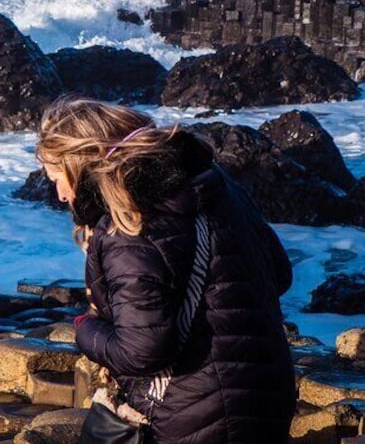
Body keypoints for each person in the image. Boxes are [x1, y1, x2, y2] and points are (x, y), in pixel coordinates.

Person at [36, 97, 296, 443]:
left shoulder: (129, 223)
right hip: (268, 394)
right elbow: (279, 273)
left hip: (192, 415)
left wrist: (85, 328)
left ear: (78, 164)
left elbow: (141, 350)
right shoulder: (214, 182)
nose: (60, 195)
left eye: (57, 178)